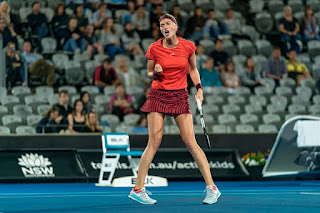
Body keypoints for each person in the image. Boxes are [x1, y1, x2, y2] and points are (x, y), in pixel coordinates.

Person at [128, 14, 221, 205]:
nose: (164, 27)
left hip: (179, 96)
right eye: (161, 25)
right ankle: (138, 189)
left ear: (176, 26)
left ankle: (212, 188)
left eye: (168, 23)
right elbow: (149, 71)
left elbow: (193, 70)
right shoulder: (154, 48)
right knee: (154, 141)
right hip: (158, 96)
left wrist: (199, 90)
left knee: (190, 141)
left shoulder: (188, 47)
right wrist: (155, 73)